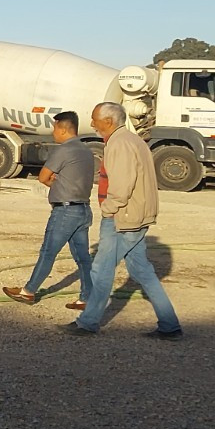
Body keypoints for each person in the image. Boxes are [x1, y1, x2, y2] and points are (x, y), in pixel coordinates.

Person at [62, 101, 182, 339]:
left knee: (101, 269)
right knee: (142, 270)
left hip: (123, 216)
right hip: (135, 215)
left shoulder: (119, 143)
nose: (92, 122)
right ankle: (170, 325)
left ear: (108, 121)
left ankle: (87, 323)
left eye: (95, 118)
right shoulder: (132, 140)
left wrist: (109, 208)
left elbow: (122, 184)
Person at [2, 111, 93, 309]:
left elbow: (43, 177)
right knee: (83, 257)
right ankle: (87, 297)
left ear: (63, 129)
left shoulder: (63, 150)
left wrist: (58, 185)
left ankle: (28, 292)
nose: (53, 132)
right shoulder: (86, 151)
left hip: (65, 211)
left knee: (48, 252)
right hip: (83, 209)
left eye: (54, 128)